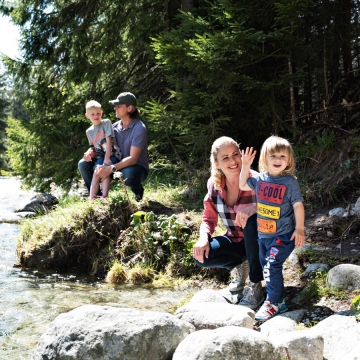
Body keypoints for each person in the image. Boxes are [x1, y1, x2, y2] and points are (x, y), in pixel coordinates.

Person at [193, 136, 265, 310]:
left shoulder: (257, 180)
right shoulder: (214, 184)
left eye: (235, 154)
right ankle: (241, 265)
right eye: (225, 158)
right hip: (235, 240)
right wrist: (203, 238)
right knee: (202, 256)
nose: (233, 161)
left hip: (262, 243)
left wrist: (254, 209)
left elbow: (278, 210)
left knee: (251, 221)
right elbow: (208, 218)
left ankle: (255, 284)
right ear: (217, 163)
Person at [240, 135, 305, 321]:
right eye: (273, 156)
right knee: (266, 266)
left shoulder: (290, 182)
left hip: (284, 235)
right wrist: (246, 166)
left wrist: (299, 229)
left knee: (271, 264)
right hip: (264, 235)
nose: (278, 160)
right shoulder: (260, 179)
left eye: (283, 157)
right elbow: (243, 184)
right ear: (264, 159)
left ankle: (273, 302)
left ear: (289, 160)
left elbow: (298, 205)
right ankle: (280, 302)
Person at [78, 92, 149, 201]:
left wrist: (110, 169)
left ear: (129, 108)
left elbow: (133, 159)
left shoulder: (139, 128)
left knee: (129, 173)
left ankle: (138, 192)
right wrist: (90, 151)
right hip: (113, 164)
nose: (115, 108)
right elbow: (100, 145)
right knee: (83, 164)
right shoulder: (113, 127)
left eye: (119, 106)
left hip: (135, 168)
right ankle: (98, 198)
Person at [84, 100, 121, 200]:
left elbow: (109, 140)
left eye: (98, 113)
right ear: (87, 116)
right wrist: (89, 152)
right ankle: (92, 200)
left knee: (105, 169)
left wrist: (107, 159)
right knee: (96, 172)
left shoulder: (106, 123)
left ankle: (104, 196)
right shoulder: (89, 131)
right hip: (101, 156)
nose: (96, 116)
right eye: (92, 114)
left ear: (101, 113)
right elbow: (95, 147)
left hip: (113, 155)